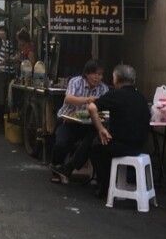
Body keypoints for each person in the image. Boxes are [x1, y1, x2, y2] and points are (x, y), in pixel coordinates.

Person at [86, 64, 151, 198]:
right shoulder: (142, 98)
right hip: (139, 146)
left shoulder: (115, 95)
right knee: (103, 145)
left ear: (116, 79)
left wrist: (101, 129)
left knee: (96, 147)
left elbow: (92, 108)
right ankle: (114, 182)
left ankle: (105, 186)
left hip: (121, 145)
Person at [50, 60, 109, 183]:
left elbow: (103, 109)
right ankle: (56, 168)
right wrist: (87, 100)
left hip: (88, 124)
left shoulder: (103, 88)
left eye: (100, 74)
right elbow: (69, 98)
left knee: (92, 142)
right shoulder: (76, 82)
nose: (97, 77)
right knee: (61, 144)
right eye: (95, 74)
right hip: (67, 120)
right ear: (87, 73)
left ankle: (68, 168)